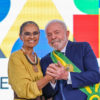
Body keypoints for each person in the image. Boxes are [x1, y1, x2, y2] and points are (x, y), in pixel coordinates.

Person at [40, 20, 100, 100]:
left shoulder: (83, 48)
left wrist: (66, 76)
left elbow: (95, 76)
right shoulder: (45, 60)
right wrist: (52, 81)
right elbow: (47, 94)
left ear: (67, 34)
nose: (53, 37)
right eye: (49, 35)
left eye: (57, 32)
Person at [8, 21, 53, 100]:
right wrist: (48, 77)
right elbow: (24, 90)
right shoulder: (15, 57)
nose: (32, 37)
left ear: (39, 35)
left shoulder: (38, 60)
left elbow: (45, 90)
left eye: (35, 33)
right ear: (21, 36)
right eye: (27, 34)